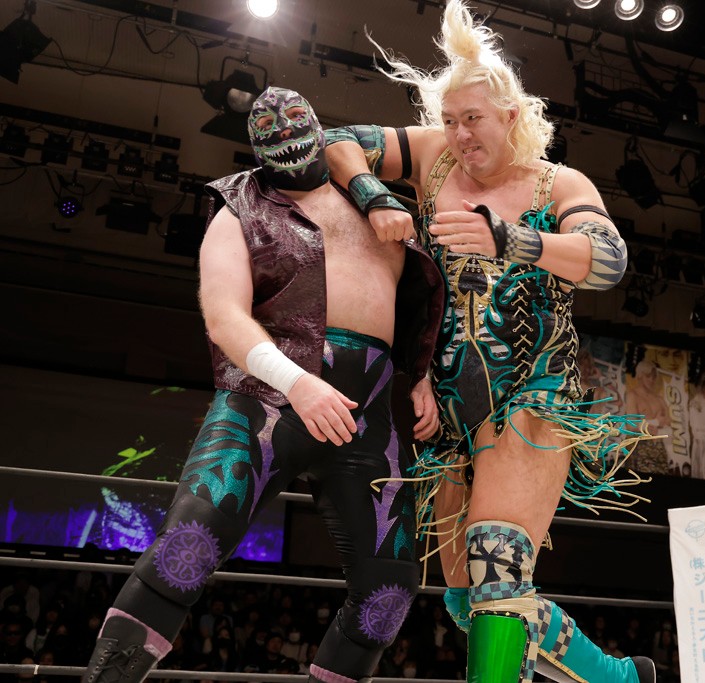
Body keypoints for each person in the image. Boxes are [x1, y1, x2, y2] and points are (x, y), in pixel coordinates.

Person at [324, 2, 657, 681]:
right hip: (448, 412)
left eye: (472, 118)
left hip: (532, 396)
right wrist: (375, 194)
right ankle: (619, 678)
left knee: (497, 567)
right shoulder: (433, 158)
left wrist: (512, 240)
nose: (459, 133)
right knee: (465, 599)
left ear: (511, 115)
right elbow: (333, 141)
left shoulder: (556, 183)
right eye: (449, 119)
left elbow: (609, 260)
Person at [79, 86, 444, 683]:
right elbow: (224, 317)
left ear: (323, 134)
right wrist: (298, 383)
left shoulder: (378, 206)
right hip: (267, 400)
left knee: (389, 592)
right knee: (186, 547)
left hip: (368, 413)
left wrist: (422, 372)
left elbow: (418, 301)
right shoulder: (237, 209)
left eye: (299, 131)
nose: (289, 145)